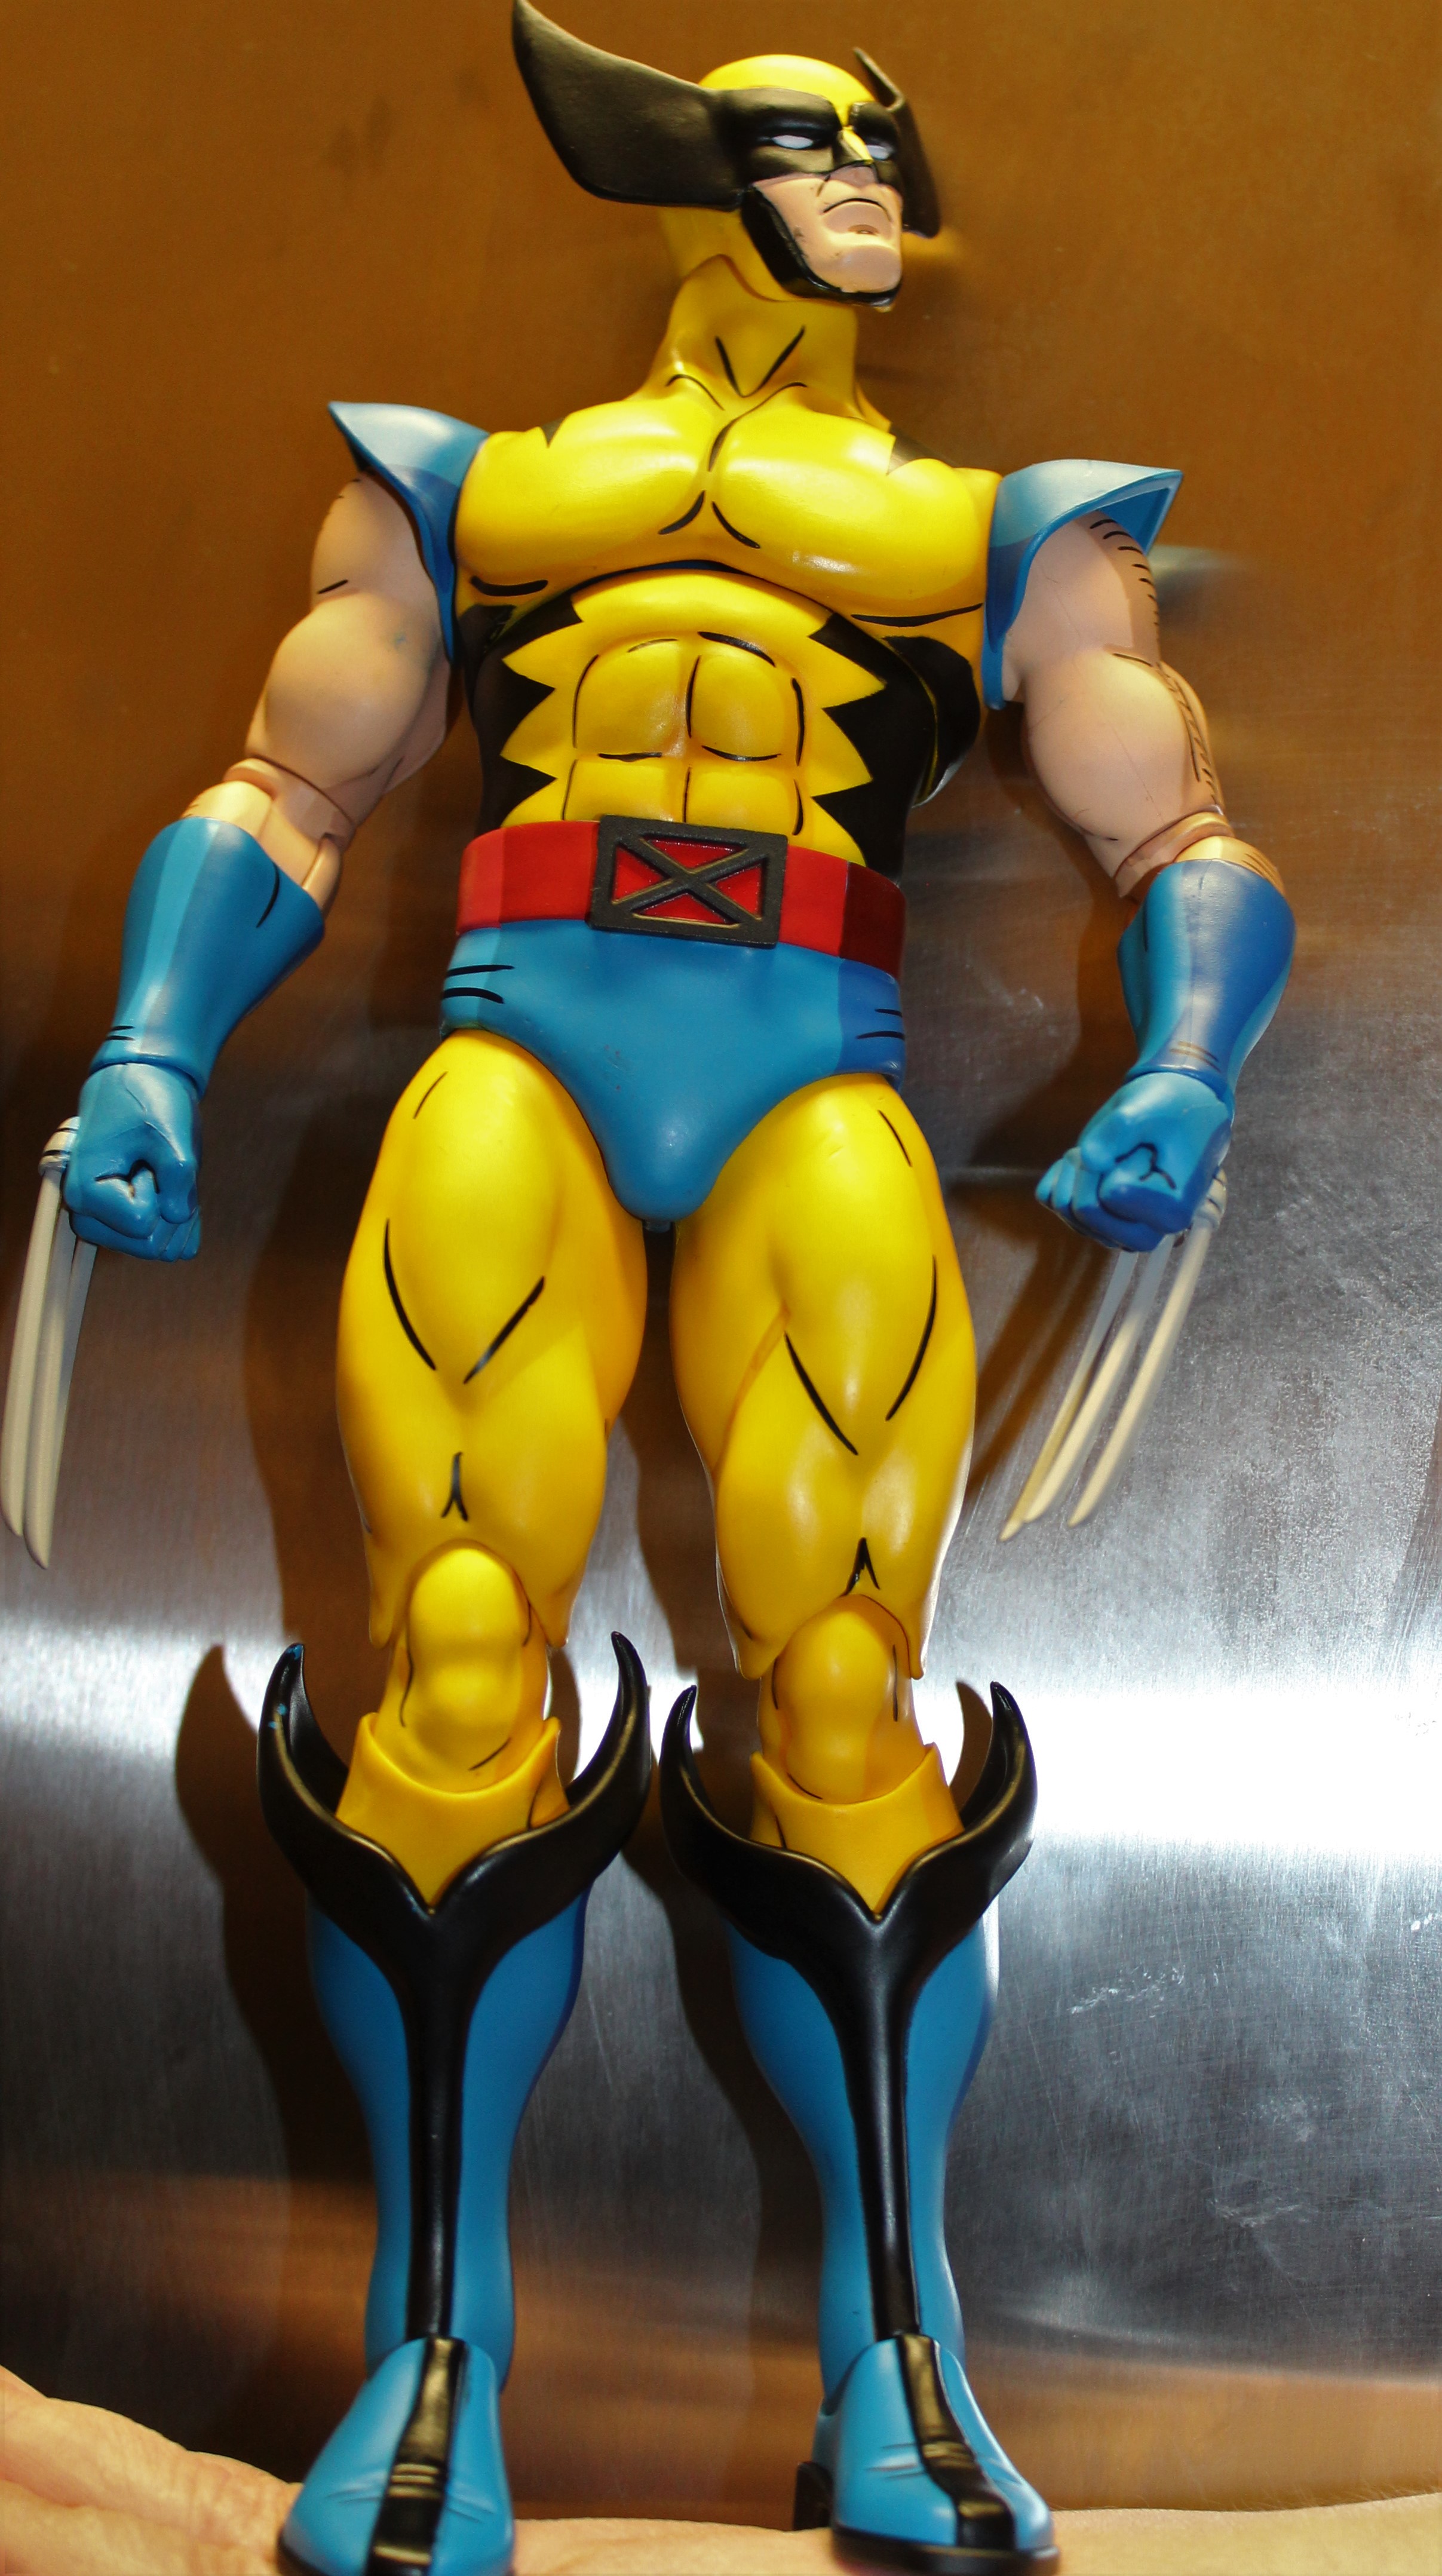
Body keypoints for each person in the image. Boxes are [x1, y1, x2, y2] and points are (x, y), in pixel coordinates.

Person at [54, 9, 1294, 2571]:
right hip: (517, 1043)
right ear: (695, 173)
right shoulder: (474, 491)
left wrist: (1190, 1056)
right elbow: (289, 789)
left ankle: (900, 2361)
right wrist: (157, 1041)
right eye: (816, 144)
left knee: (845, 1681)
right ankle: (431, 2362)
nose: (867, 185)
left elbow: (1179, 821)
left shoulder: (1003, 528)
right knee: (456, 1651)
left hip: (809, 1071)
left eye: (882, 152)